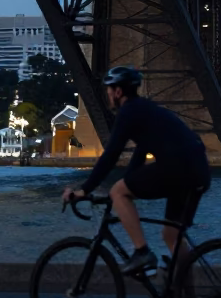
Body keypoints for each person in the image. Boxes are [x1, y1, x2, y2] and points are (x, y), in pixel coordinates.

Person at [62, 66, 210, 275]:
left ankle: (142, 252)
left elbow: (111, 155)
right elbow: (140, 153)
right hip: (199, 171)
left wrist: (84, 190)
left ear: (118, 92)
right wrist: (129, 183)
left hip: (178, 169)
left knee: (117, 191)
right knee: (172, 235)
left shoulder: (129, 111)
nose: (108, 95)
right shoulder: (146, 110)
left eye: (109, 90)